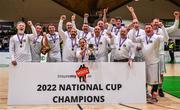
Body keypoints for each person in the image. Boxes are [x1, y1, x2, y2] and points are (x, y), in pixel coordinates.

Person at [137, 23, 168, 103]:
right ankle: (146, 94)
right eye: (146, 28)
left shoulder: (157, 37)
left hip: (155, 63)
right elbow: (133, 39)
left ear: (152, 29)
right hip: (145, 63)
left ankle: (154, 97)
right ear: (145, 30)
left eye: (149, 28)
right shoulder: (142, 37)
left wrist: (163, 27)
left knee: (155, 82)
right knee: (145, 80)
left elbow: (166, 38)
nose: (148, 29)